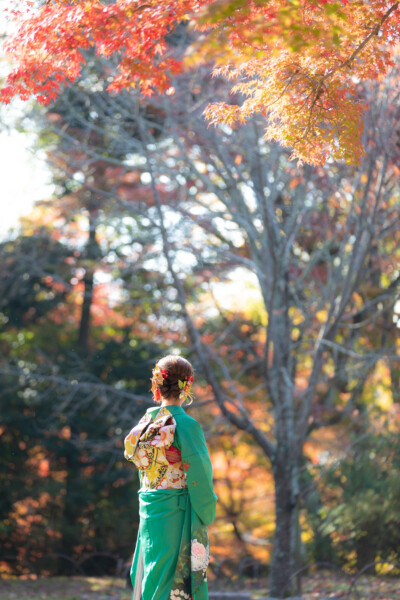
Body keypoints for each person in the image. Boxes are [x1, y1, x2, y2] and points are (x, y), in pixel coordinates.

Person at [124, 355, 218, 600]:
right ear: (187, 386)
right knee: (172, 579)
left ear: (156, 385)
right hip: (177, 512)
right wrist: (206, 509)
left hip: (149, 508)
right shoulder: (185, 425)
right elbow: (200, 473)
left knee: (152, 572)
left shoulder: (144, 426)